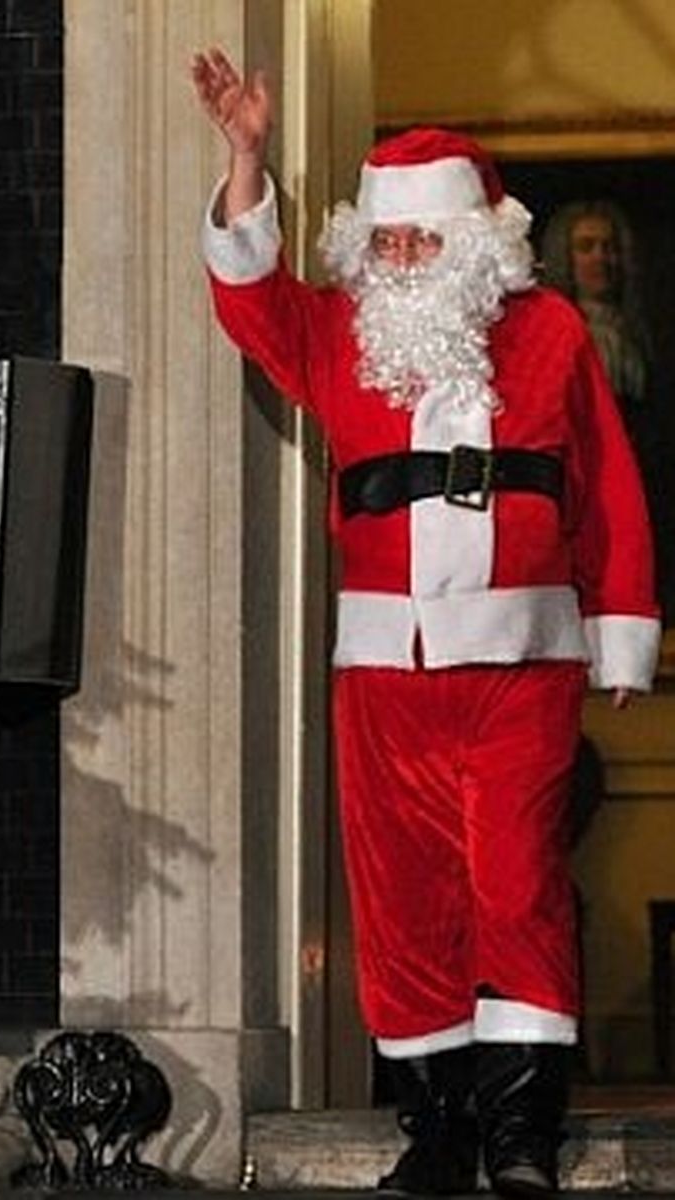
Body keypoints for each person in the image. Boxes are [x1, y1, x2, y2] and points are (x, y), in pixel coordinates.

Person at [191, 47, 660, 1200]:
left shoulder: (549, 333)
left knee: (514, 884)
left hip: (520, 664)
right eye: (385, 243)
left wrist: (623, 626)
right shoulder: (340, 334)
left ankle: (520, 1131)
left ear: (474, 245)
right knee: (404, 902)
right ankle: (439, 1125)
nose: (399, 260)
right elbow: (252, 299)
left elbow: (605, 484)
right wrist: (247, 158)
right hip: (383, 674)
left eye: (421, 241)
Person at [540, 200, 654, 469]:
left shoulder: (635, 331)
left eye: (609, 247)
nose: (600, 257)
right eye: (586, 247)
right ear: (565, 257)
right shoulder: (554, 333)